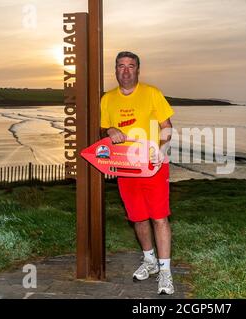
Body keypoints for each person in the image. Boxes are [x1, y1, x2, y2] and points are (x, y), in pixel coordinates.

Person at [100, 51, 175, 295]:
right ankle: (150, 261)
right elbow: (104, 128)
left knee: (159, 218)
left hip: (153, 165)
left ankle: (165, 273)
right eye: (121, 66)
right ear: (115, 70)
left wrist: (162, 150)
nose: (125, 71)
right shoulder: (108, 99)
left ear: (138, 70)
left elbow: (167, 127)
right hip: (126, 167)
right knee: (138, 218)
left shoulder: (152, 93)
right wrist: (110, 130)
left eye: (130, 66)